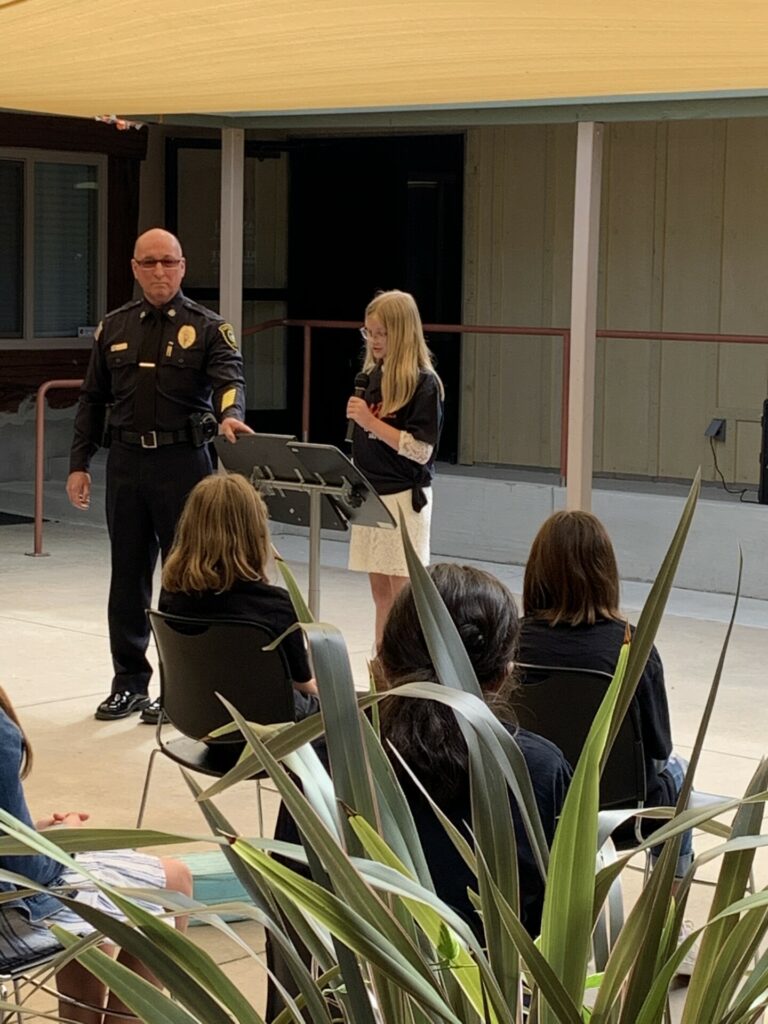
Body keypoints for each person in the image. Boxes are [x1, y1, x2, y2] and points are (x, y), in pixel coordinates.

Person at [66, 228, 253, 723]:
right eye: (149, 262)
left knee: (187, 575)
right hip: (127, 465)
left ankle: (181, 690)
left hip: (184, 465)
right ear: (135, 268)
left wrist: (231, 415)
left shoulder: (208, 327)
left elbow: (230, 380)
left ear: (183, 266)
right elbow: (92, 399)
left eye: (168, 262)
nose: (159, 271)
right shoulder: (114, 327)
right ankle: (129, 683)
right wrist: (79, 463)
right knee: (127, 577)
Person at [0, 685, 192, 1023]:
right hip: (10, 910)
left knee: (93, 914)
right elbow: (29, 869)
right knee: (173, 884)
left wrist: (28, 831)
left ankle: (80, 1012)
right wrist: (65, 838)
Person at [517, 509, 693, 877]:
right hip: (624, 815)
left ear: (535, 571)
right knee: (680, 773)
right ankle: (669, 897)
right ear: (605, 573)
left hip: (532, 811)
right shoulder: (633, 646)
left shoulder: (510, 643)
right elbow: (659, 750)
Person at [159, 473, 319, 730]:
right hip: (267, 730)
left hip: (197, 719)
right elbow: (302, 683)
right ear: (255, 532)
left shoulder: (172, 596)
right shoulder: (275, 606)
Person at [345, 289, 444, 648]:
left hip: (404, 497)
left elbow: (421, 450)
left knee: (403, 592)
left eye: (381, 334)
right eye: (368, 332)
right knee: (380, 591)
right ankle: (381, 660)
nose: (373, 341)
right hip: (371, 494)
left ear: (402, 333)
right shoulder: (371, 377)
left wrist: (371, 424)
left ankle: (406, 661)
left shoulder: (423, 383)